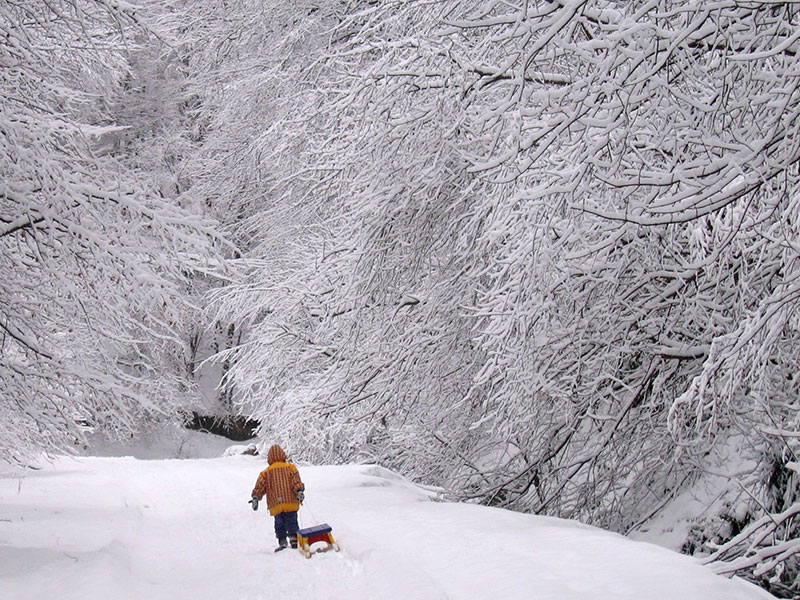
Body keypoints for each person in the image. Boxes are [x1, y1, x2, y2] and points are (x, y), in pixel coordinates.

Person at [250, 444, 305, 552]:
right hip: (290, 502)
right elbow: (296, 481)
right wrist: (299, 491)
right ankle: (294, 538)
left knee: (279, 523)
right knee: (291, 520)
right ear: (282, 455)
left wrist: (256, 497)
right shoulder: (290, 468)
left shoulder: (266, 472)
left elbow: (260, 486)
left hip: (276, 504)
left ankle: (282, 540)